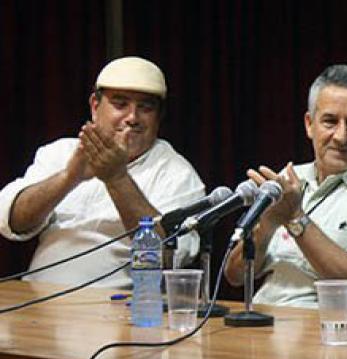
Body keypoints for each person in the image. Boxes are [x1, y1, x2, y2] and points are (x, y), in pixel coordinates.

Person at [0, 56, 205, 288]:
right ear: (95, 107)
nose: (132, 118)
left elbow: (167, 257)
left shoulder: (177, 173)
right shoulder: (60, 151)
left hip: (115, 310)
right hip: (36, 298)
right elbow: (14, 222)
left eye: (145, 108)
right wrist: (69, 177)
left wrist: (116, 178)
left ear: (159, 117)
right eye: (120, 104)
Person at [224, 64, 347, 307]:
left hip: (326, 329)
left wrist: (296, 219)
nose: (342, 136)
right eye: (330, 122)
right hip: (263, 318)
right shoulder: (290, 178)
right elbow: (234, 276)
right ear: (309, 125)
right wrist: (267, 224)